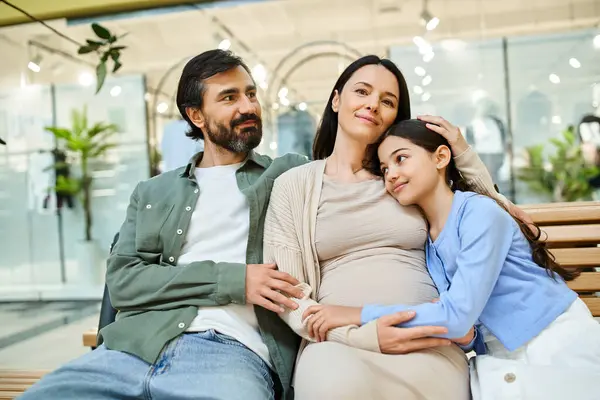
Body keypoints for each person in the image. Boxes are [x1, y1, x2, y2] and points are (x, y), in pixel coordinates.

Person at [19, 50, 466, 400]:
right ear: (196, 115)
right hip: (132, 349)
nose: (248, 105)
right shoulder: (151, 193)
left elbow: (354, 165)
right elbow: (124, 281)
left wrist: (452, 154)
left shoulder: (287, 175)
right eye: (229, 98)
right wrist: (235, 279)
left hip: (230, 351)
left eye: (251, 94)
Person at [263, 55, 510, 399]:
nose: (373, 105)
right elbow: (289, 294)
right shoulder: (293, 186)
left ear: (397, 115)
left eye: (388, 101)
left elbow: (487, 215)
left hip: (428, 339)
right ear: (336, 100)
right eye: (362, 91)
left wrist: (462, 151)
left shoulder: (406, 178)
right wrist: (363, 335)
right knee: (333, 386)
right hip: (339, 346)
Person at [308, 119, 600, 399]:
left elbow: (456, 316)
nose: (391, 175)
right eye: (384, 169)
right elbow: (467, 323)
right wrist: (468, 336)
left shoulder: (480, 214)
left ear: (441, 157)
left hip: (556, 342)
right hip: (503, 360)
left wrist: (353, 314)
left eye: (401, 159)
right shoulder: (427, 242)